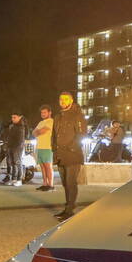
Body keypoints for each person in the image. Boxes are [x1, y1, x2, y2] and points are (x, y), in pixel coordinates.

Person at [51, 91, 87, 221]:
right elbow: (54, 136)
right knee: (65, 183)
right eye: (61, 99)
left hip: (73, 155)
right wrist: (54, 150)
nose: (63, 101)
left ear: (71, 101)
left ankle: (70, 209)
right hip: (60, 155)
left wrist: (71, 148)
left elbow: (81, 134)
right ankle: (68, 207)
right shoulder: (58, 116)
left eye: (66, 99)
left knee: (71, 183)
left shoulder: (77, 115)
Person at [33, 105, 54, 191]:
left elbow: (41, 131)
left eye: (45, 112)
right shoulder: (41, 123)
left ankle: (51, 185)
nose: (43, 114)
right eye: (42, 112)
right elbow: (34, 133)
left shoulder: (51, 121)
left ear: (49, 112)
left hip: (47, 147)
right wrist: (38, 131)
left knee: (48, 166)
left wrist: (38, 131)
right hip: (39, 147)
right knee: (42, 166)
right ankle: (45, 183)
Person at [3, 110, 27, 186]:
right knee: (12, 163)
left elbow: (20, 140)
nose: (13, 119)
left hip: (17, 148)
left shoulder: (21, 126)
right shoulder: (13, 126)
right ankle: (14, 179)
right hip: (10, 146)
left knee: (18, 162)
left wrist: (16, 148)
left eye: (14, 117)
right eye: (12, 117)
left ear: (20, 117)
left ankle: (19, 180)